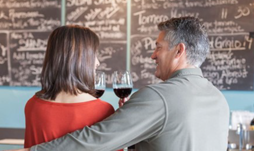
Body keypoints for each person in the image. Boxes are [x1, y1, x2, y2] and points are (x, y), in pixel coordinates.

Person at [12, 17, 230, 151]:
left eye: (158, 47)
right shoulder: (218, 99)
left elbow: (95, 141)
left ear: (179, 51)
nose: (153, 55)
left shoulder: (156, 97)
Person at [23, 25, 116, 148]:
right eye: (93, 55)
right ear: (80, 59)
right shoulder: (103, 111)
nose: (97, 63)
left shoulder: (32, 105)